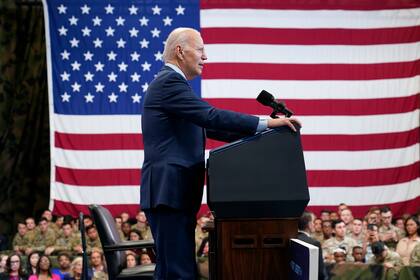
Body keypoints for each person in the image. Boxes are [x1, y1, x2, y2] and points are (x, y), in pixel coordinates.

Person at [141, 27, 301, 279]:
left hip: (173, 193)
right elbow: (211, 115)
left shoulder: (173, 86)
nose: (205, 57)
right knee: (177, 272)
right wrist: (267, 123)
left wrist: (264, 134)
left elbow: (210, 126)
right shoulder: (169, 83)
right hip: (168, 192)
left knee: (174, 270)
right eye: (201, 50)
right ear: (180, 52)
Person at [296, 211, 326, 279]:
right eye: (313, 222)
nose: (314, 224)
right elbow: (320, 272)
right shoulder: (314, 243)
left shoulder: (291, 239)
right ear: (309, 224)